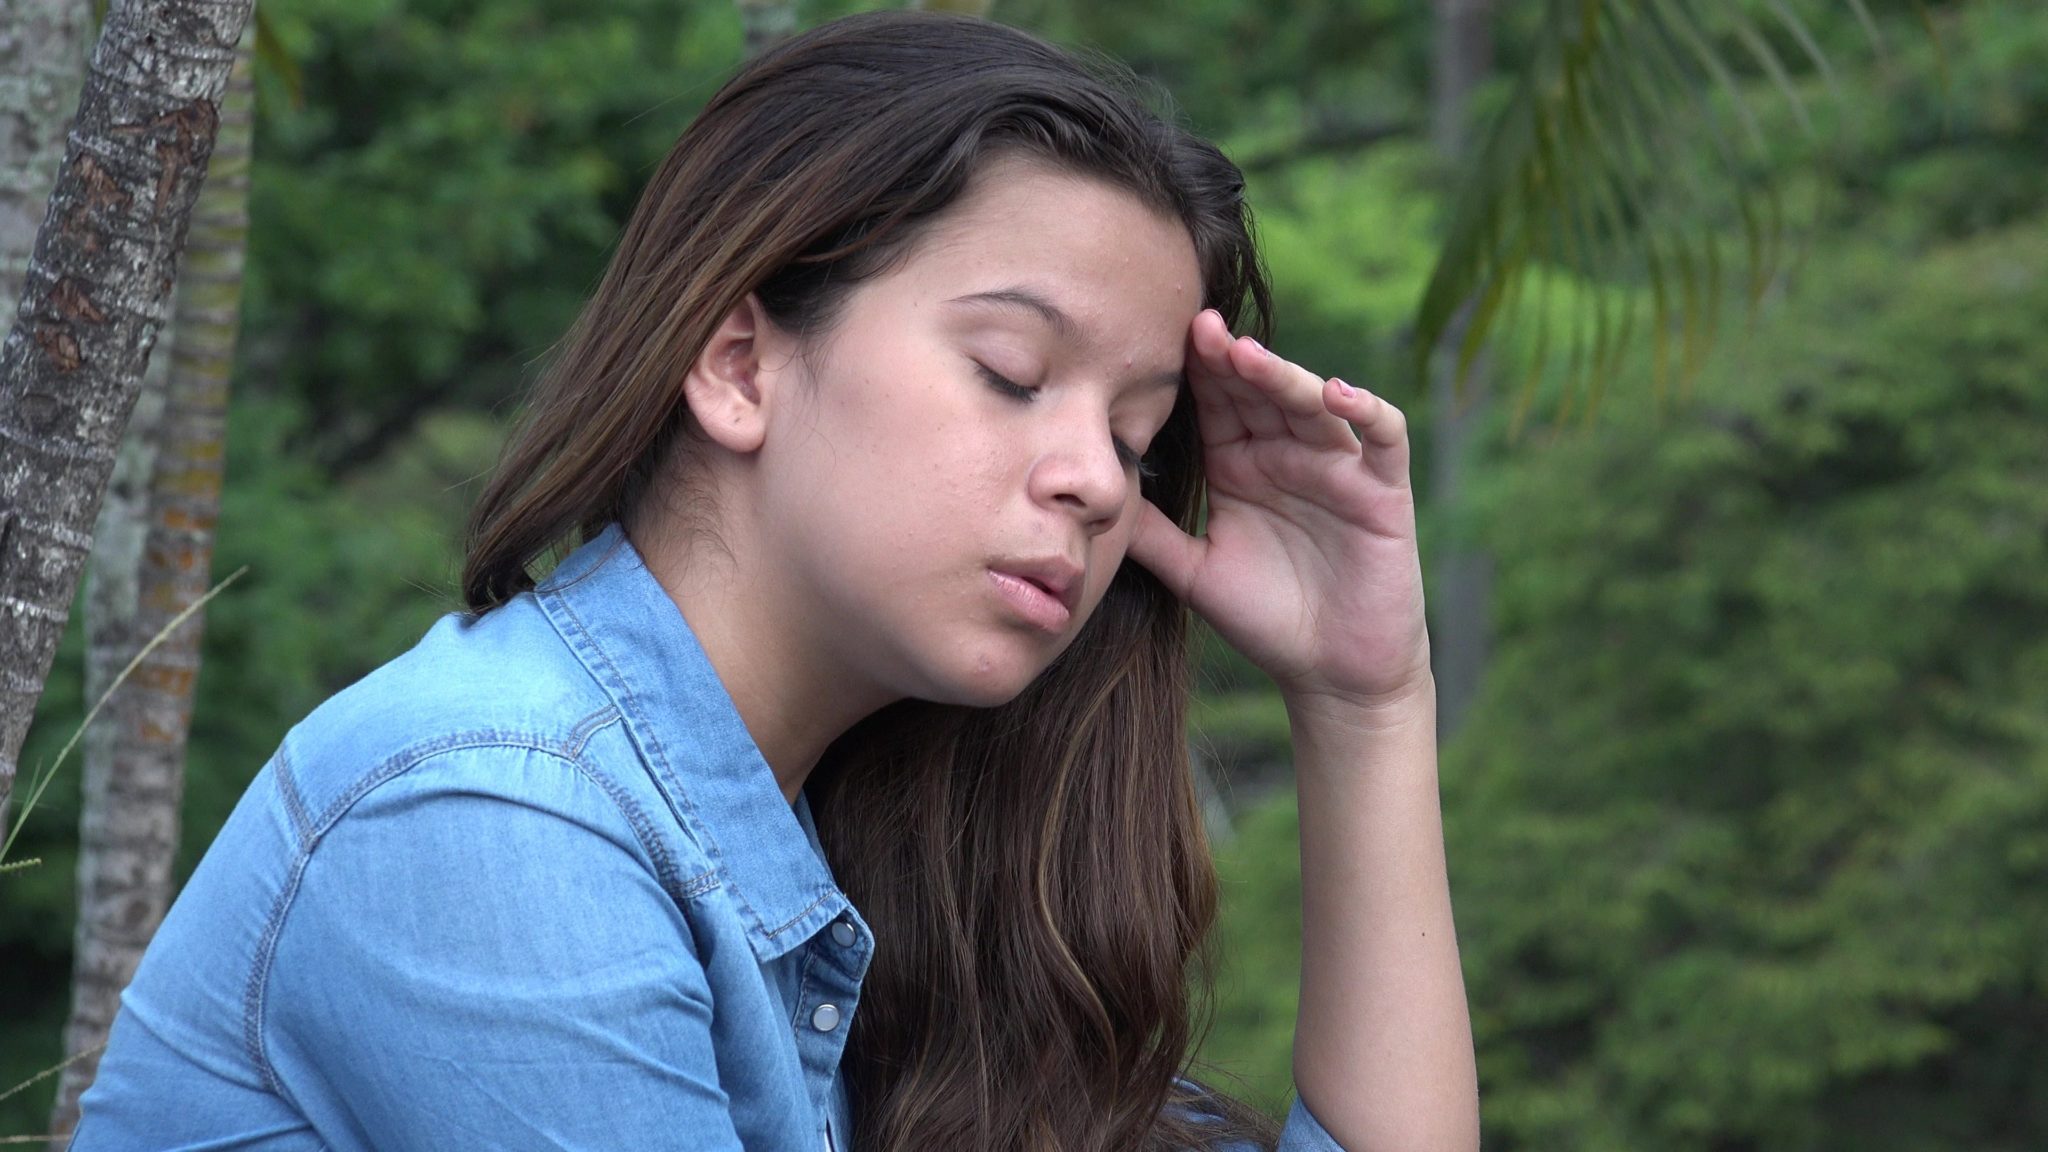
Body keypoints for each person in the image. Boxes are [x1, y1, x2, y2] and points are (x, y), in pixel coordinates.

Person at [70, 10, 1476, 1151]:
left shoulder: (874, 861)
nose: (1100, 482)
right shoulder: (490, 821)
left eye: (1136, 433)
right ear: (740, 365)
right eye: (1012, 375)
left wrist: (1365, 702)